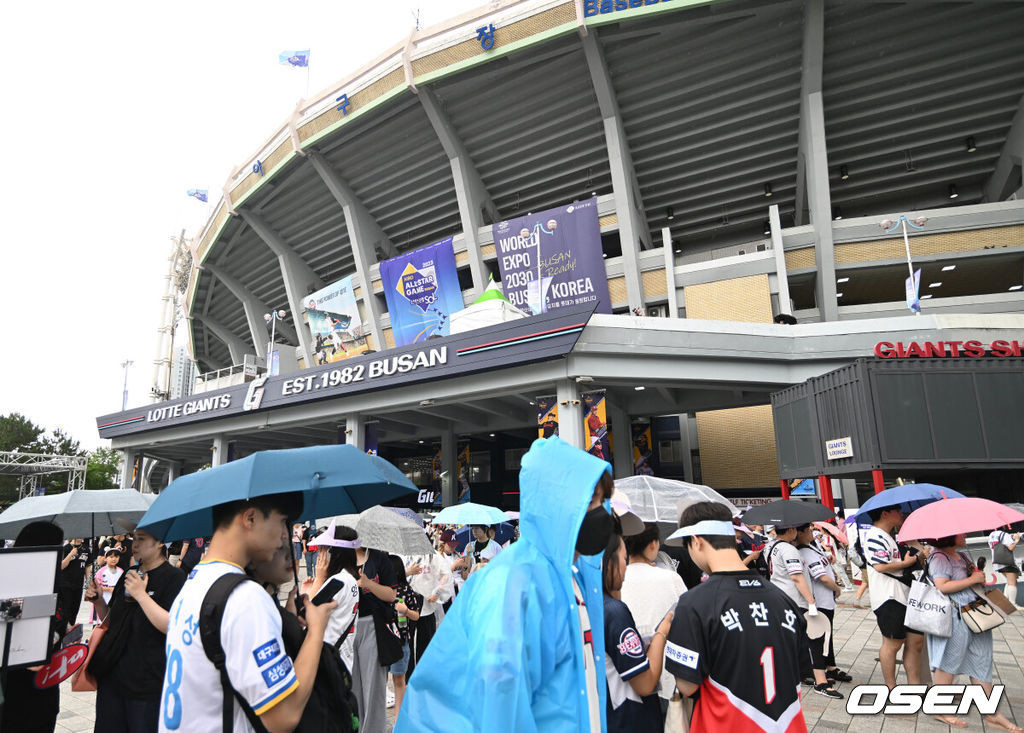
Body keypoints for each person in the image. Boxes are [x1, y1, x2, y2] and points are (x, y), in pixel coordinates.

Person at [397, 435, 615, 732]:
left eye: (603, 501)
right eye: (590, 502)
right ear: (555, 504)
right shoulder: (515, 586)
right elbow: (499, 709)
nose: (601, 512)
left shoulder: (570, 578)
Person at [158, 493, 337, 733]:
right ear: (250, 518)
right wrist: (316, 631)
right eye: (281, 521)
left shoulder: (195, 581)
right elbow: (283, 716)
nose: (285, 535)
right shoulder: (244, 597)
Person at [663, 502, 809, 732]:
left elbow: (686, 685)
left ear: (697, 541)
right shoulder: (784, 601)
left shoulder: (693, 603)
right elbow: (800, 671)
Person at [85, 528, 186, 732]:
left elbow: (173, 626)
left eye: (141, 539)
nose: (135, 544)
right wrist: (97, 601)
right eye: (135, 539)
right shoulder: (130, 575)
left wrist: (141, 595)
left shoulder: (175, 578)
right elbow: (112, 618)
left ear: (160, 543)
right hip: (113, 675)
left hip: (147, 682)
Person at [924, 534, 1023, 731]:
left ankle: (992, 713)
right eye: (960, 534)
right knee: (947, 663)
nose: (965, 535)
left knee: (981, 661)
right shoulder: (939, 558)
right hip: (954, 618)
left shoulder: (961, 556)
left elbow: (972, 581)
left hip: (976, 616)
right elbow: (942, 586)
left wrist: (977, 578)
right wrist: (972, 580)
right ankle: (940, 708)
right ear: (949, 537)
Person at [604, 525, 673, 732]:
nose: (626, 567)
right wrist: (662, 631)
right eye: (624, 559)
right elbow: (645, 684)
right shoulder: (615, 612)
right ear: (609, 563)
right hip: (630, 720)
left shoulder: (588, 604)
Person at [766, 524, 842, 698]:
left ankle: (797, 674)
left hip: (781, 599)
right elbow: (797, 577)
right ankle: (820, 681)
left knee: (795, 640)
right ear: (793, 530)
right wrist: (811, 601)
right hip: (796, 600)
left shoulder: (772, 546)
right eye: (807, 529)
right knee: (813, 640)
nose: (812, 532)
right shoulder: (790, 550)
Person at [3, 521, 65, 733]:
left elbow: (54, 623)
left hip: (45, 690)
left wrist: (61, 634)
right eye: (58, 545)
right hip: (11, 691)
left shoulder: (55, 582)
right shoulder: (6, 580)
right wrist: (22, 655)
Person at [619, 522, 686, 710]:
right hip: (668, 678)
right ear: (653, 545)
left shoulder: (616, 581)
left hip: (627, 680)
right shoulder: (671, 578)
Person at [861, 505, 925, 691]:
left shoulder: (889, 536)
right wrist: (907, 562)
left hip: (905, 596)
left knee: (915, 643)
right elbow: (880, 566)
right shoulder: (874, 536)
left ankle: (915, 687)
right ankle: (891, 687)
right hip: (888, 598)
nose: (902, 514)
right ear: (885, 513)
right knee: (893, 644)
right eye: (897, 511)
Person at [350, 527, 398, 733]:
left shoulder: (378, 558)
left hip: (372, 625)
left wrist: (368, 584)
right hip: (346, 628)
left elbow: (391, 595)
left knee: (373, 687)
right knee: (351, 687)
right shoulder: (340, 559)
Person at [795, 524, 852, 686]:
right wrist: (837, 589)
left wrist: (827, 557)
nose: (812, 531)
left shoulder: (812, 547)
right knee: (818, 639)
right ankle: (820, 674)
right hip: (819, 601)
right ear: (799, 533)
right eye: (808, 530)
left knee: (828, 635)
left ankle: (831, 667)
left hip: (826, 601)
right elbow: (822, 577)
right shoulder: (804, 552)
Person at [404, 541, 453, 666]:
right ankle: (408, 677)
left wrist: (438, 591)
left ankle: (422, 676)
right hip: (407, 608)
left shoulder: (433, 555)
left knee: (425, 645)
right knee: (407, 645)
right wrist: (408, 572)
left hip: (427, 606)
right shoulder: (403, 555)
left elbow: (446, 574)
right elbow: (394, 575)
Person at [388, 555, 422, 715]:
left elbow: (416, 615)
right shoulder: (381, 589)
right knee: (380, 680)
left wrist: (405, 610)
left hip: (401, 640)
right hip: (383, 640)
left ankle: (398, 720)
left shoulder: (407, 590)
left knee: (399, 680)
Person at [58, 536, 94, 632]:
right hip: (65, 584)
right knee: (66, 610)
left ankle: (71, 630)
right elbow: (61, 566)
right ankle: (63, 631)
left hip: (78, 584)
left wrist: (89, 582)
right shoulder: (66, 548)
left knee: (75, 610)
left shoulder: (86, 549)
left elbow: (87, 567)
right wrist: (70, 555)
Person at [987, 525, 1021, 608]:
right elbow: (1010, 547)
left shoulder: (991, 535)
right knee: (1012, 583)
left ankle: (1005, 602)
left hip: (997, 562)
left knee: (1010, 581)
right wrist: (1016, 540)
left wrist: (1011, 537)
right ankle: (1012, 604)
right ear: (1003, 526)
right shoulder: (1004, 534)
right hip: (1006, 562)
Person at [94, 547, 125, 618]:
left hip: (117, 598)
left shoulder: (121, 571)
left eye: (116, 556)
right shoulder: (101, 571)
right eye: (111, 557)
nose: (114, 559)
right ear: (105, 558)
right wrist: (108, 589)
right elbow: (96, 586)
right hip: (104, 598)